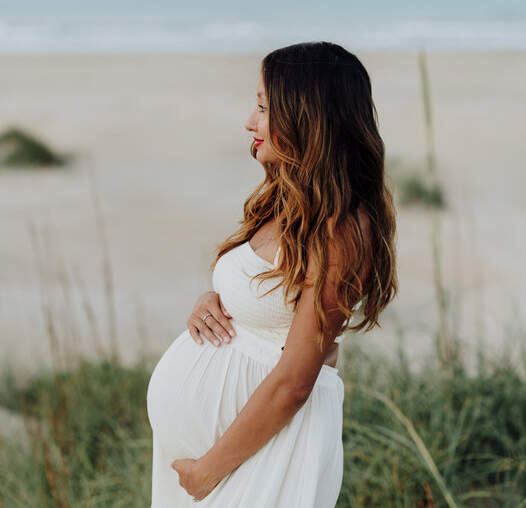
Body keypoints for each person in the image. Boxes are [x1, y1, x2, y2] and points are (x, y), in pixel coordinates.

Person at [146, 41, 398, 507]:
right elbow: (266, 304)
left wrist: (205, 473)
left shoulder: (341, 229)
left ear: (308, 118)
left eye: (264, 107)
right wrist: (213, 302)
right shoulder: (286, 201)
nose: (250, 122)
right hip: (222, 461)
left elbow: (295, 382)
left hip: (263, 459)